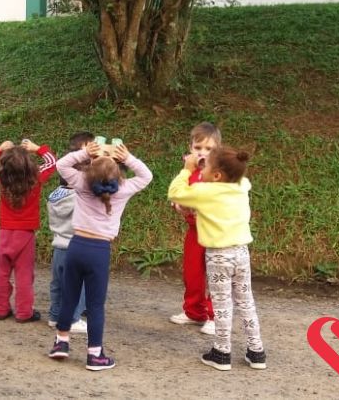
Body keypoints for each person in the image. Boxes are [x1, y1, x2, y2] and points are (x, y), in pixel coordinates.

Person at [47, 140, 152, 371]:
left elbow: (61, 165)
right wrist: (128, 158)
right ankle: (95, 354)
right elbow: (146, 176)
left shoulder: (82, 182)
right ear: (119, 175)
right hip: (99, 251)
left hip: (76, 246)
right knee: (95, 305)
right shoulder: (123, 189)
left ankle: (61, 342)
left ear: (89, 169)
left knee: (69, 297)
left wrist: (84, 152)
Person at [167, 146, 267, 371]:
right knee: (246, 302)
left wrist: (187, 169)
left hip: (219, 256)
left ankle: (222, 352)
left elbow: (175, 192)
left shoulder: (205, 191)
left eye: (207, 166)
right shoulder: (242, 186)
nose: (201, 168)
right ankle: (256, 351)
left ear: (217, 175)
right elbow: (231, 188)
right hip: (241, 252)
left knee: (222, 304)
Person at [0, 138, 57, 322]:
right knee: (24, 275)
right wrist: (37, 148)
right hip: (26, 233)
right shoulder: (36, 178)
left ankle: (1, 309)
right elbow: (52, 162)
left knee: (2, 273)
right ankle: (24, 312)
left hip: (5, 232)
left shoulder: (1, 179)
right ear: (29, 166)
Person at [169, 122, 219, 334]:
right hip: (194, 232)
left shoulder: (219, 172)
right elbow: (178, 193)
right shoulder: (188, 170)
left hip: (216, 234)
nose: (202, 152)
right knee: (192, 273)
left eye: (208, 148)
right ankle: (194, 312)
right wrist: (178, 205)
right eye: (198, 148)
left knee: (217, 275)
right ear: (190, 148)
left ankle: (215, 317)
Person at [46, 131, 94, 333]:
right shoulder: (80, 197)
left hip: (58, 246)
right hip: (76, 247)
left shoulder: (54, 195)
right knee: (78, 285)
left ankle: (54, 315)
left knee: (57, 284)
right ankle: (73, 319)